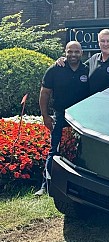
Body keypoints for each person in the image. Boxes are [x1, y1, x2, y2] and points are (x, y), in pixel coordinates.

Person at [35, 41, 89, 196]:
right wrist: (45, 116)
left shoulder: (87, 70)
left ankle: (79, 186)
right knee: (55, 150)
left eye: (76, 52)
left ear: (81, 53)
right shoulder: (55, 69)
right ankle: (46, 185)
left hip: (82, 120)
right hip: (61, 117)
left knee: (81, 153)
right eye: (70, 51)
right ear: (65, 52)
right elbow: (44, 93)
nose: (73, 55)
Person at [58, 29, 109, 95]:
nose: (105, 44)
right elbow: (78, 68)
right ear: (99, 43)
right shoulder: (94, 58)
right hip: (93, 105)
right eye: (102, 41)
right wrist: (64, 60)